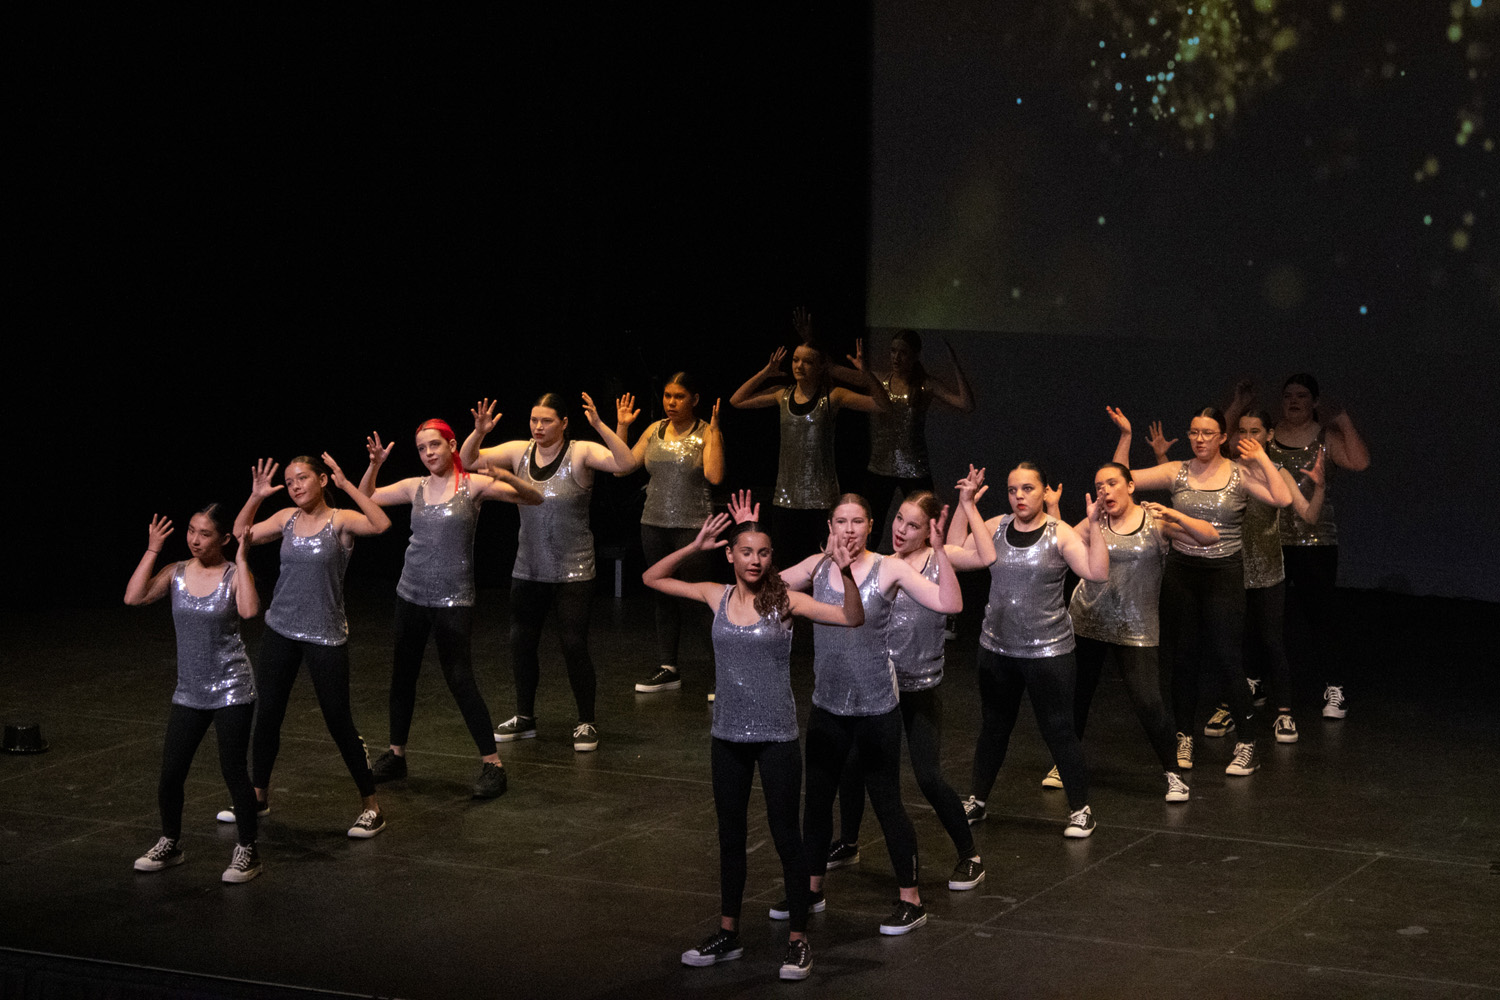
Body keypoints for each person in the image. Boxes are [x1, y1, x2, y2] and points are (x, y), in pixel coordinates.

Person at [644, 513, 864, 982]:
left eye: (763, 553)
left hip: (777, 737)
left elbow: (851, 617)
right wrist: (694, 546)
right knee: (731, 838)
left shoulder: (786, 601)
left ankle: (799, 940)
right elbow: (652, 578)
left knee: (786, 839)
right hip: (727, 737)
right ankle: (728, 933)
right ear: (730, 555)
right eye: (745, 552)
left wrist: (844, 572)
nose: (755, 560)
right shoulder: (715, 596)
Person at [765, 491, 961, 935]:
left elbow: (950, 604)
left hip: (875, 707)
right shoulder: (817, 567)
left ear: (870, 526)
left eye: (857, 521)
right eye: (841, 521)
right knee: (817, 803)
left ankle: (911, 899)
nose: (849, 530)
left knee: (887, 802)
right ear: (830, 527)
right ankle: (812, 889)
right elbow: (761, 583)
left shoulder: (889, 568)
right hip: (828, 705)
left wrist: (941, 550)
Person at [827, 468, 994, 890]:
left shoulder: (940, 559)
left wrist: (967, 508)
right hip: (880, 687)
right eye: (899, 519)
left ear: (929, 530)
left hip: (920, 686)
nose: (901, 530)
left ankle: (970, 855)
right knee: (852, 764)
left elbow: (985, 556)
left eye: (913, 525)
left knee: (928, 776)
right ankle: (849, 841)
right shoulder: (882, 564)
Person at [358, 419, 543, 799]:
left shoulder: (472, 485)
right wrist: (374, 465)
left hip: (453, 598)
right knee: (402, 676)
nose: (428, 453)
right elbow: (367, 497)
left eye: (434, 445)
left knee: (460, 679)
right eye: (422, 448)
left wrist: (505, 475)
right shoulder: (415, 486)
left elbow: (534, 497)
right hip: (411, 593)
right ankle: (396, 754)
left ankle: (493, 764)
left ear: (452, 445)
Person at [1110, 406, 1292, 778]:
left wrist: (1261, 457)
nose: (1199, 439)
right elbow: (1121, 480)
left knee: (1227, 657)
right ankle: (1184, 736)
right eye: (1194, 432)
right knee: (1184, 658)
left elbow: (1282, 499)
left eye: (1208, 433)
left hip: (1224, 573)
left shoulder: (1239, 474)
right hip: (1182, 571)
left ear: (1223, 437)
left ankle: (1247, 744)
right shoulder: (1177, 471)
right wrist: (1126, 436)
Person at [460, 393, 636, 752]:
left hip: (574, 569)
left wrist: (601, 425)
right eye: (533, 420)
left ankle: (586, 720)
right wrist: (479, 432)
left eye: (546, 421)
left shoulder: (581, 453)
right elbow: (466, 461)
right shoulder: (518, 451)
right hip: (529, 567)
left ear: (564, 423)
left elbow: (626, 462)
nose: (538, 427)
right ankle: (524, 717)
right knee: (521, 642)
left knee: (573, 644)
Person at [231, 453, 393, 838]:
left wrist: (347, 484)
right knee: (268, 716)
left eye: (302, 478)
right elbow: (241, 533)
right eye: (290, 482)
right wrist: (256, 496)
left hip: (325, 634)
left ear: (321, 480)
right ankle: (258, 797)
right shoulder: (286, 519)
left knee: (338, 719)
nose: (295, 486)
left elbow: (381, 523)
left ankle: (371, 806)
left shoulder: (341, 520)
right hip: (281, 629)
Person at [948, 463, 1109, 836]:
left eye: (1028, 489)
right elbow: (953, 552)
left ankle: (1081, 809)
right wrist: (965, 504)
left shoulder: (1060, 533)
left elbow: (1097, 572)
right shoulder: (995, 527)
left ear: (1044, 491)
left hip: (1048, 653)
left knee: (1059, 730)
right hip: (997, 649)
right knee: (993, 728)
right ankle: (978, 800)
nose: (1019, 496)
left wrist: (1095, 525)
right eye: (1012, 490)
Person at [1045, 463, 1218, 802]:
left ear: (1130, 486)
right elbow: (1056, 544)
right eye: (1099, 486)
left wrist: (1176, 516)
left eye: (1112, 483)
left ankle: (1173, 773)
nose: (1105, 491)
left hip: (1136, 625)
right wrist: (1053, 508)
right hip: (1088, 620)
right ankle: (1064, 764)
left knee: (1149, 702)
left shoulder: (1155, 522)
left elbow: (1210, 537)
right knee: (1076, 698)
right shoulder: (1095, 521)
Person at [125, 506, 262, 882]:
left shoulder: (233, 574)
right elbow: (133, 597)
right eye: (191, 531)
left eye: (204, 534)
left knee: (233, 771)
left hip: (232, 688)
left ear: (224, 539)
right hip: (189, 690)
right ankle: (170, 842)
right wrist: (153, 549)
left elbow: (250, 611)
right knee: (171, 774)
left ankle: (248, 849)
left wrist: (243, 560)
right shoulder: (176, 572)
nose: (195, 540)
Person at [728, 330, 888, 560]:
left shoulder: (833, 396)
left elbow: (883, 406)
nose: (799, 366)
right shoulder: (782, 395)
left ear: (821, 366)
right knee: (784, 564)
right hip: (785, 498)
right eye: (795, 360)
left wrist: (866, 375)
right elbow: (737, 400)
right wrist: (766, 372)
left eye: (808, 362)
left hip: (822, 499)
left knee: (825, 563)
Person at [1263, 374, 1369, 720]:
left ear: (1315, 402)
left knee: (1321, 616)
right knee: (1264, 615)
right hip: (1272, 539)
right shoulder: (1268, 436)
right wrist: (1236, 406)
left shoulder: (1325, 438)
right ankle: (1255, 681)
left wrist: (1344, 421)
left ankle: (1334, 687)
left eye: (1301, 395)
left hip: (1316, 540)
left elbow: (1360, 462)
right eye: (1288, 395)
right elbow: (1231, 447)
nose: (1294, 401)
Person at [612, 373, 725, 695]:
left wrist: (715, 432)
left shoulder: (705, 432)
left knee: (698, 600)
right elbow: (621, 467)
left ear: (695, 399)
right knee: (662, 596)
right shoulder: (654, 430)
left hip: (693, 528)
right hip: (654, 523)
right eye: (667, 396)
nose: (671, 402)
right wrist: (622, 427)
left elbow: (715, 475)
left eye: (679, 396)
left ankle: (723, 673)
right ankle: (668, 667)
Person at [856, 327, 975, 541]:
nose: (896, 357)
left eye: (903, 352)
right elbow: (836, 372)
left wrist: (955, 365)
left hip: (914, 467)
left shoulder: (925, 385)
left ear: (915, 356)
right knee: (871, 528)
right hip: (880, 465)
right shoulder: (881, 380)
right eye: (893, 351)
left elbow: (966, 404)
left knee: (925, 525)